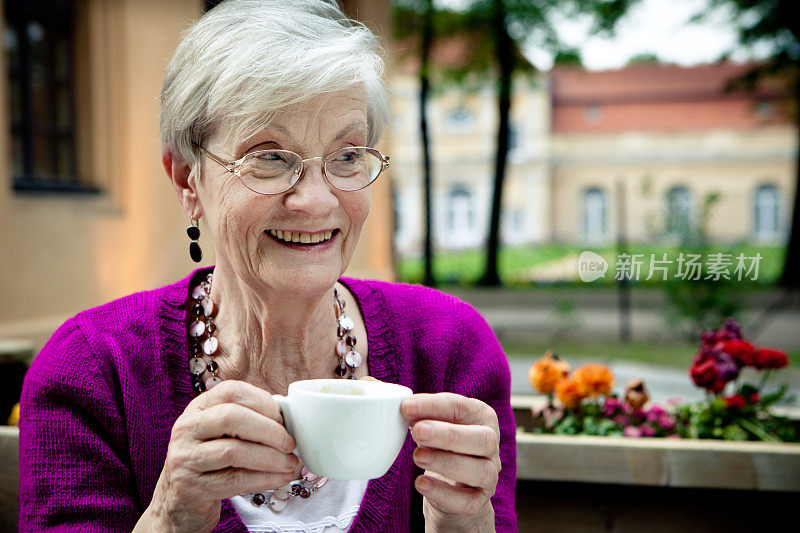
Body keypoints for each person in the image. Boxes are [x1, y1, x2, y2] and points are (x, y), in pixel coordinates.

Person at [18, 1, 517, 531]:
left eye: (347, 156)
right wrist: (171, 515)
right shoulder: (93, 370)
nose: (317, 201)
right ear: (188, 179)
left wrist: (462, 520)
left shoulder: (451, 349)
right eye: (271, 157)